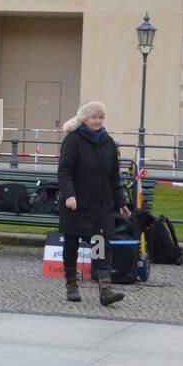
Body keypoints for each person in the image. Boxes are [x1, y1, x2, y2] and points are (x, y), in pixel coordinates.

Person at [57, 100, 132, 306]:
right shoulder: (72, 140)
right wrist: (69, 195)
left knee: (101, 245)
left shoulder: (108, 142)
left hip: (101, 205)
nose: (97, 121)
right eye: (94, 117)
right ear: (85, 119)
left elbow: (113, 178)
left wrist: (121, 202)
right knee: (71, 244)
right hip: (76, 204)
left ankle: (105, 289)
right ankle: (71, 284)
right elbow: (64, 172)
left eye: (101, 117)